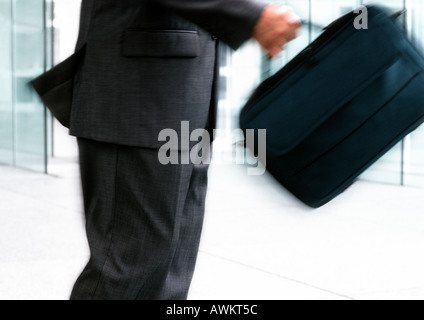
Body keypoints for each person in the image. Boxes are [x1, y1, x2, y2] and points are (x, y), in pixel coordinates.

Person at [69, 0, 301, 300]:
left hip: (180, 100)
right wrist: (251, 15)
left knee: (167, 275)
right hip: (139, 100)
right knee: (127, 272)